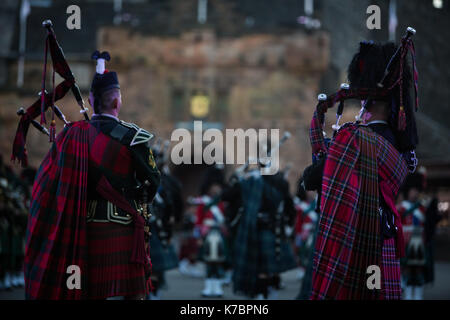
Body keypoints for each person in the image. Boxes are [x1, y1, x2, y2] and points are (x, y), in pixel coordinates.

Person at [23, 52, 160, 299]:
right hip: (122, 227)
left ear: (91, 101)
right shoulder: (133, 137)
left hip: (79, 227)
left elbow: (50, 181)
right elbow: (153, 181)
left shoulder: (72, 135)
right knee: (130, 295)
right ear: (117, 102)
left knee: (87, 291)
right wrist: (137, 199)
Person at [309, 38, 419, 299]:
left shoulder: (356, 139)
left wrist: (316, 173)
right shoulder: (393, 142)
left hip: (357, 241)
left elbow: (342, 191)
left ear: (365, 103)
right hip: (384, 242)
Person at [225, 163, 296, 299]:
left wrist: (238, 177)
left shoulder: (257, 180)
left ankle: (263, 293)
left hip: (264, 227)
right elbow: (227, 196)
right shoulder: (259, 180)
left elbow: (287, 204)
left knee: (263, 267)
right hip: (262, 227)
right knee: (263, 267)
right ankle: (263, 292)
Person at [397, 170, 428, 300]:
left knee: (418, 272)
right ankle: (409, 295)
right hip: (407, 242)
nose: (415, 193)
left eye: (416, 190)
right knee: (407, 271)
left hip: (418, 242)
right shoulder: (402, 208)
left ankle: (418, 295)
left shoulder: (421, 208)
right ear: (407, 191)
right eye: (413, 190)